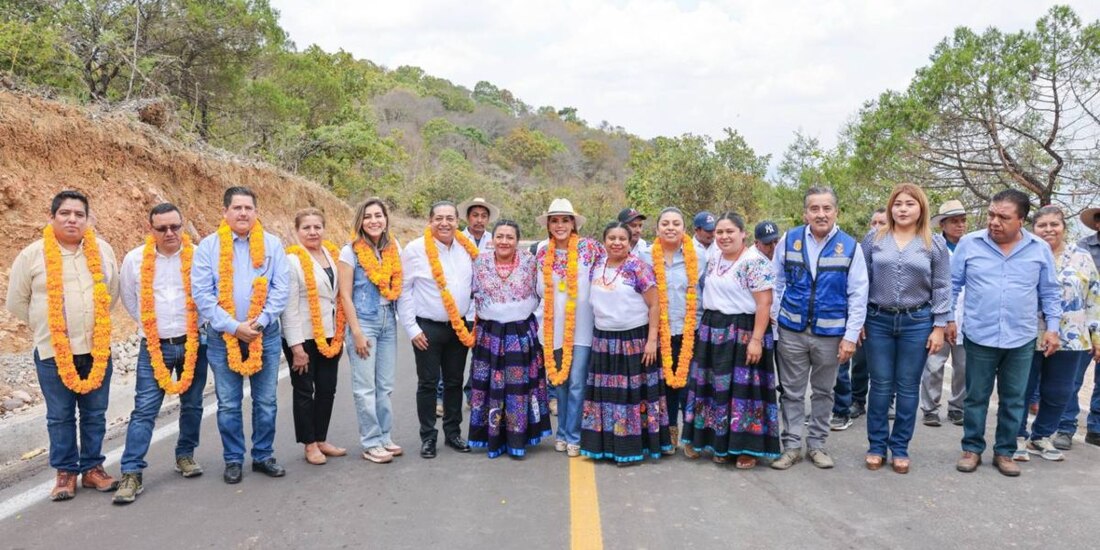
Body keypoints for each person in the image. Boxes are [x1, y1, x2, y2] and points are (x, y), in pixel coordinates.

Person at [6, 190, 121, 501]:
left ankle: (94, 468)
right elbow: (17, 302)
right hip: (52, 351)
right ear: (52, 217)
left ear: (87, 219)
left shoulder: (103, 250)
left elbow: (111, 293)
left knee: (95, 413)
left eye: (79, 214)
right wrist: (48, 326)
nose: (72, 219)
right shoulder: (32, 255)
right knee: (59, 416)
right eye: (65, 213)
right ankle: (65, 473)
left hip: (96, 349)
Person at [953, 189, 1061, 477]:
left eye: (1003, 217)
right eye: (991, 215)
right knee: (976, 396)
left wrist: (1052, 329)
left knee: (1014, 399)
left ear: (1021, 220)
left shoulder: (1039, 249)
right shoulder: (969, 244)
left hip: (1021, 337)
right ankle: (972, 449)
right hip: (979, 334)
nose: (994, 222)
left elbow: (1050, 292)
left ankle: (1005, 452)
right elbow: (951, 285)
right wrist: (947, 321)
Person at [192, 186, 290, 484]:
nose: (243, 213)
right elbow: (202, 295)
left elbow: (280, 290)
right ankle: (233, 459)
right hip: (224, 337)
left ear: (255, 212)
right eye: (237, 208)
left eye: (249, 208)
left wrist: (258, 324)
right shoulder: (209, 247)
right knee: (229, 403)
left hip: (266, 334)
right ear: (226, 212)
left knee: (266, 401)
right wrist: (235, 327)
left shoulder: (273, 245)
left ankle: (263, 455)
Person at [113, 203, 208, 504]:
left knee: (192, 406)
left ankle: (185, 455)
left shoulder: (199, 257)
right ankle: (131, 472)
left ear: (183, 225)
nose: (169, 233)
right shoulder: (134, 260)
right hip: (154, 345)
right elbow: (129, 298)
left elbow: (209, 293)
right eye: (162, 228)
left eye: (175, 227)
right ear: (150, 229)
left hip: (194, 342)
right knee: (144, 410)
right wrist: (150, 328)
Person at [770, 186, 869, 470]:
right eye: (815, 208)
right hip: (792, 331)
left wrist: (850, 337)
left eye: (827, 208)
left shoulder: (851, 247)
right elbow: (776, 281)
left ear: (836, 212)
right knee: (791, 392)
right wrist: (778, 318)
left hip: (831, 334)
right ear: (806, 213)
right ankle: (791, 447)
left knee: (824, 392)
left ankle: (817, 445)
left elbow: (858, 294)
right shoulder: (789, 240)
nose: (821, 214)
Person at [860, 184, 951, 474]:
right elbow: (861, 281)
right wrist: (858, 320)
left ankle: (899, 447)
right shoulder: (875, 238)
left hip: (917, 321)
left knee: (908, 386)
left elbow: (942, 285)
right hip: (878, 319)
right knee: (881, 384)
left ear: (920, 208)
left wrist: (939, 326)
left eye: (909, 204)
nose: (902, 209)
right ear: (890, 208)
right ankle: (876, 445)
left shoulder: (933, 243)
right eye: (897, 203)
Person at [682, 213, 780, 468]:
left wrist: (756, 340)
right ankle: (717, 443)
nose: (724, 237)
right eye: (720, 232)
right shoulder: (714, 256)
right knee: (713, 387)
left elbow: (764, 303)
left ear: (743, 233)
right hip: (713, 328)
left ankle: (746, 447)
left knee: (744, 391)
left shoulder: (754, 262)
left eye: (730, 232)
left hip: (744, 331)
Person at [1012, 206, 1100, 462]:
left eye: (1054, 224)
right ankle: (1015, 436)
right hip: (1029, 334)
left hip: (1072, 337)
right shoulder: (1025, 253)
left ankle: (1042, 436)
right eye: (1042, 225)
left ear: (1064, 227)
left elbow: (1094, 298)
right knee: (1022, 389)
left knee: (1059, 390)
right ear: (1033, 228)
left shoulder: (1081, 256)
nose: (1049, 230)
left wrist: (1096, 336)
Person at [581, 222, 667, 463]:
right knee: (605, 396)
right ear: (604, 241)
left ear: (630, 243)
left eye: (622, 238)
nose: (616, 242)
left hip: (634, 341)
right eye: (611, 238)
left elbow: (654, 305)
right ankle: (605, 447)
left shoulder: (639, 268)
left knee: (631, 397)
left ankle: (631, 449)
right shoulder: (597, 267)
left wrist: (652, 341)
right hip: (604, 341)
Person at [398, 201, 477, 459]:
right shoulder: (415, 250)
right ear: (430, 221)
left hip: (459, 327)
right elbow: (404, 290)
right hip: (427, 328)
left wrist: (473, 319)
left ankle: (453, 433)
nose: (445, 223)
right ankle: (428, 437)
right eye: (439, 218)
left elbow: (475, 287)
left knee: (454, 382)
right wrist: (411, 328)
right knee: (429, 384)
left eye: (450, 218)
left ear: (457, 221)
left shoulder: (467, 248)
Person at [468, 220, 551, 458]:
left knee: (518, 388)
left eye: (510, 237)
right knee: (488, 387)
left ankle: (518, 438)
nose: (504, 241)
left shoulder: (530, 262)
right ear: (492, 239)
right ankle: (490, 438)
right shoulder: (479, 262)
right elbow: (467, 293)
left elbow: (545, 292)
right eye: (500, 236)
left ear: (517, 240)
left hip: (520, 334)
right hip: (489, 334)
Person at [535, 198, 604, 457]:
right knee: (559, 381)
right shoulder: (543, 252)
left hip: (583, 326)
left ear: (574, 223)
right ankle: (561, 432)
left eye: (565, 220)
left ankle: (574, 435)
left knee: (576, 382)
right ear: (549, 225)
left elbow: (606, 276)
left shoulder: (590, 248)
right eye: (555, 220)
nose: (560, 225)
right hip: (554, 328)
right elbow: (539, 291)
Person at [339, 198, 404, 464]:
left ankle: (385, 436)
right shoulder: (350, 251)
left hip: (389, 320)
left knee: (385, 386)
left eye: (379, 215)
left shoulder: (393, 248)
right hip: (363, 322)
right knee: (364, 388)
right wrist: (355, 332)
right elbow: (344, 295)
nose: (374, 220)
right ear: (360, 221)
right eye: (368, 216)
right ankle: (370, 442)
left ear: (386, 219)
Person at [281, 208, 346, 466]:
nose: (312, 232)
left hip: (331, 334)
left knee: (328, 390)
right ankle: (309, 444)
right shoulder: (292, 261)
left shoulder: (332, 255)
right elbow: (289, 306)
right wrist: (296, 347)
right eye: (306, 227)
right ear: (297, 232)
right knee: (305, 390)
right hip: (304, 337)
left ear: (324, 229)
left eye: (317, 227)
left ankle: (321, 438)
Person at [640, 208, 707, 449]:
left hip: (692, 329)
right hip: (657, 332)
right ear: (657, 229)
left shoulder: (699, 256)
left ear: (684, 228)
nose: (670, 227)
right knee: (665, 385)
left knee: (692, 387)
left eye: (676, 223)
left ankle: (691, 438)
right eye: (665, 223)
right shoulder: (644, 257)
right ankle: (668, 434)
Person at [832, 208, 886, 427]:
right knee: (858, 362)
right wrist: (858, 318)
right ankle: (856, 400)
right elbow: (858, 285)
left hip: (888, 314)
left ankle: (886, 402)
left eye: (882, 222)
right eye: (874, 222)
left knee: (884, 364)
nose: (877, 226)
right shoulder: (864, 246)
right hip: (865, 311)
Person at [920, 199, 969, 427]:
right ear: (943, 225)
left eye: (963, 221)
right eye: (954, 222)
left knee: (963, 366)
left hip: (967, 316)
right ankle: (930, 408)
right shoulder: (932, 247)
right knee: (934, 364)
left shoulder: (972, 247)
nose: (960, 225)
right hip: (938, 316)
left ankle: (957, 407)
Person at [1059, 206, 1100, 449]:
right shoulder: (1082, 249)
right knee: (1072, 379)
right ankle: (1065, 426)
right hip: (1085, 321)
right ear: (1097, 223)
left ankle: (1095, 428)